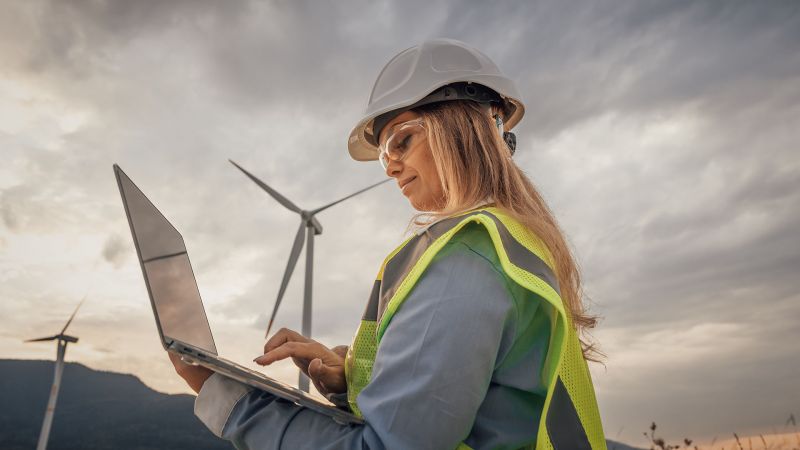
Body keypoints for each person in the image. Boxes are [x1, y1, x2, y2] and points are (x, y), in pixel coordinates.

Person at [169, 38, 608, 450]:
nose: (390, 168)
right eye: (384, 154)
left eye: (403, 139)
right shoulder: (513, 245)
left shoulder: (468, 256)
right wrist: (352, 380)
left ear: (464, 126)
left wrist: (226, 398)